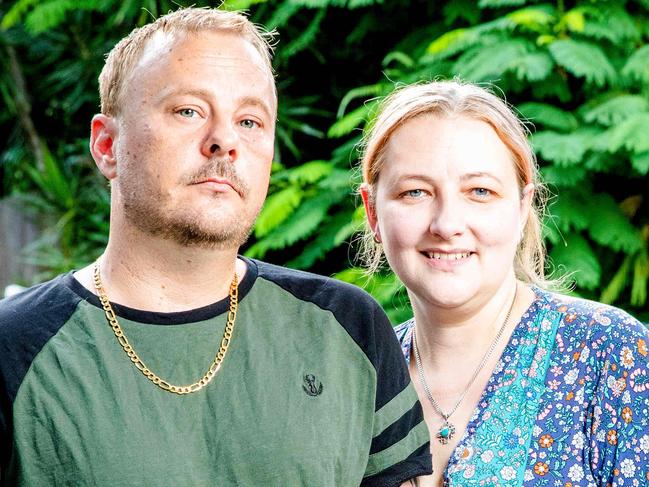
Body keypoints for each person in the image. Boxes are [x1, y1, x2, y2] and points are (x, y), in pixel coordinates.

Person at [0, 8, 432, 486]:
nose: (224, 140)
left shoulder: (347, 328)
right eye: (188, 111)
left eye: (249, 121)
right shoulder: (13, 349)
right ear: (107, 146)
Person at [360, 80, 649, 486]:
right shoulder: (357, 381)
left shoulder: (611, 354)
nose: (447, 225)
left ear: (521, 207)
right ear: (373, 213)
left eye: (479, 191)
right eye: (415, 192)